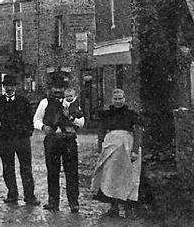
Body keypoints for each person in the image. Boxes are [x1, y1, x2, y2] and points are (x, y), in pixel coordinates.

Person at [33, 77, 85, 212]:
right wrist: (43, 127)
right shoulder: (45, 102)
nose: (57, 91)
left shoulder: (71, 101)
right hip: (52, 140)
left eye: (61, 88)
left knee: (72, 171)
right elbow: (36, 120)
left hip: (68, 140)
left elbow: (81, 122)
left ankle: (74, 202)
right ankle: (53, 202)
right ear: (51, 89)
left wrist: (71, 119)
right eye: (55, 88)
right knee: (52, 171)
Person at [91, 89, 143, 219]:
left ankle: (128, 208)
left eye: (120, 99)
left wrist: (135, 150)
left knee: (129, 176)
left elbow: (137, 132)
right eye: (116, 99)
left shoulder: (132, 115)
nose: (118, 101)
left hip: (127, 147)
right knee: (110, 177)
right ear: (112, 100)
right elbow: (101, 131)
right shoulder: (106, 115)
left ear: (125, 99)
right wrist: (100, 147)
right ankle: (113, 207)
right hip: (111, 148)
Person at [0, 76, 39, 205]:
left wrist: (28, 132)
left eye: (11, 86)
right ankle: (12, 194)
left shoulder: (23, 101)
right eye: (7, 86)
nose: (9, 88)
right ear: (4, 87)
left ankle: (29, 196)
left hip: (22, 139)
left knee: (26, 167)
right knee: (8, 167)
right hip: (5, 140)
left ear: (15, 87)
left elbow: (30, 119)